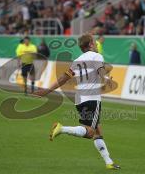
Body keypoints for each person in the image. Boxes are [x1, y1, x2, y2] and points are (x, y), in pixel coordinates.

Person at [34, 34, 120, 170]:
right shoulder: (96, 56)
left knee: (98, 130)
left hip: (79, 99)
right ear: (91, 44)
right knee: (91, 132)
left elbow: (63, 78)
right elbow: (101, 70)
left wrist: (47, 91)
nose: (97, 44)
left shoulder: (77, 61)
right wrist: (106, 79)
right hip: (92, 98)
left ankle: (108, 162)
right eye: (95, 42)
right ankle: (61, 128)